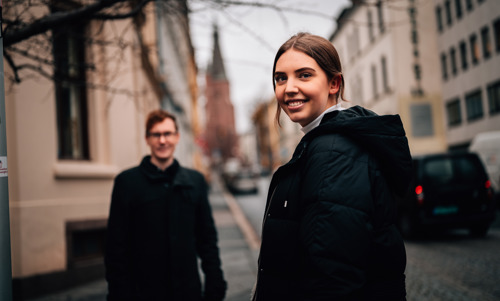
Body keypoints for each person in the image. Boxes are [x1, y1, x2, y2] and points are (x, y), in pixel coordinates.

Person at [252, 33, 413, 301]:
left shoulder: (333, 151)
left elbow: (333, 276)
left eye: (304, 75)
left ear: (333, 84)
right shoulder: (325, 143)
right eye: (281, 78)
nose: (288, 87)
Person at [105, 110, 227, 301]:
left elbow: (207, 240)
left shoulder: (195, 181)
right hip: (144, 293)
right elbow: (116, 248)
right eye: (156, 134)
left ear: (177, 137)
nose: (162, 141)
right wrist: (119, 294)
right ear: (147, 139)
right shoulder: (127, 183)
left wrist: (215, 285)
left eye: (167, 134)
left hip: (188, 292)